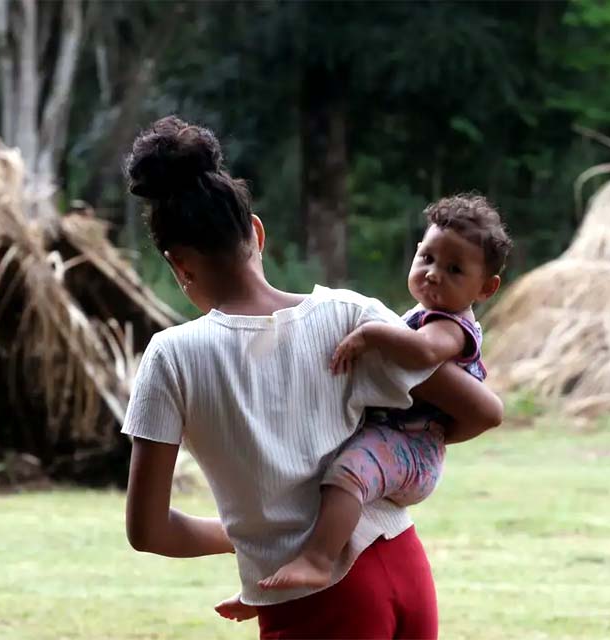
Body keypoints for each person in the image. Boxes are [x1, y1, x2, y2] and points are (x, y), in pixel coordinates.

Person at [121, 115, 503, 640]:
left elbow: (149, 531)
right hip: (403, 566)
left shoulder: (171, 358)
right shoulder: (351, 315)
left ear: (178, 264)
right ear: (256, 231)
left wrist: (251, 539)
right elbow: (482, 410)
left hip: (313, 601)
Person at [251, 194, 511, 596]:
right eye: (426, 258)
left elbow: (423, 353)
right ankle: (275, 569)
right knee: (318, 480)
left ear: (486, 288)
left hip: (411, 446)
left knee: (347, 475)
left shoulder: (451, 328)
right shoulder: (422, 314)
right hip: (399, 436)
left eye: (454, 269)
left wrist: (371, 333)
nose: (433, 274)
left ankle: (318, 562)